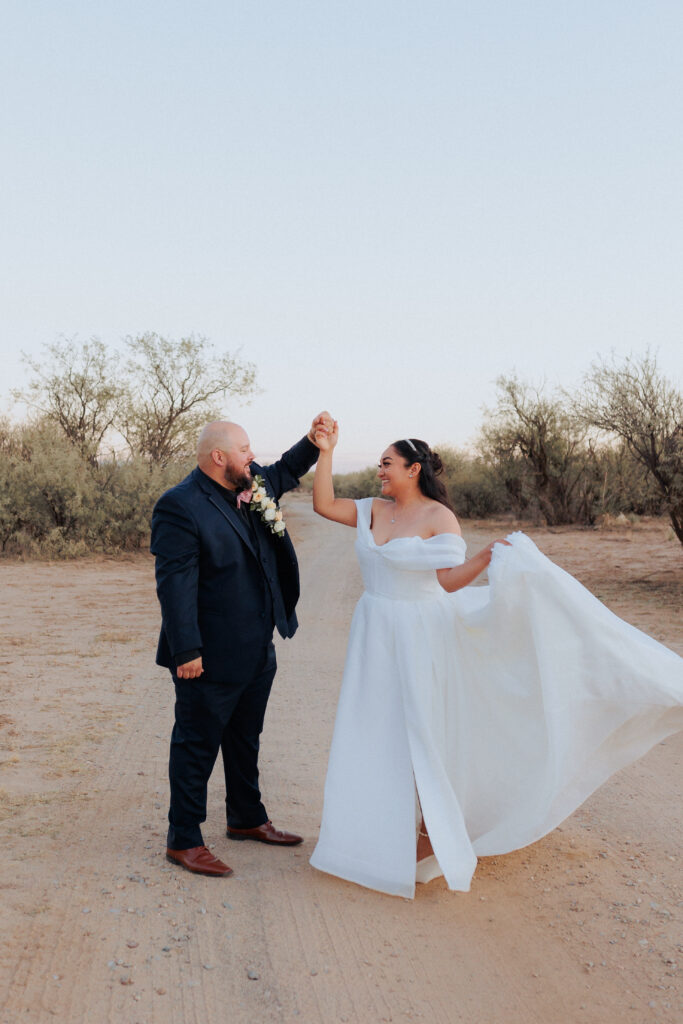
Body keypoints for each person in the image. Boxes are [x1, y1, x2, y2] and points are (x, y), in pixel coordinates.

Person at [308, 424, 683, 898]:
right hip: (374, 632)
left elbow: (446, 582)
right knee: (372, 728)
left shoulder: (438, 517)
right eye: (379, 463)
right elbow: (323, 505)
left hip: (421, 635)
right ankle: (370, 830)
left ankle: (429, 835)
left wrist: (486, 557)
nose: (379, 471)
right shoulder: (372, 510)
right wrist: (327, 452)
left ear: (413, 469)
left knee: (421, 730)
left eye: (387, 463)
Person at [151, 413, 331, 876]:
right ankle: (184, 839)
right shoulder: (180, 505)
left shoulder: (252, 485)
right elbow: (175, 584)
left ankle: (246, 818)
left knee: (245, 736)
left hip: (257, 646)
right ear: (218, 457)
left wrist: (313, 441)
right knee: (196, 743)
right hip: (207, 653)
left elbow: (288, 468)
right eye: (245, 449)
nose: (253, 457)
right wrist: (185, 650)